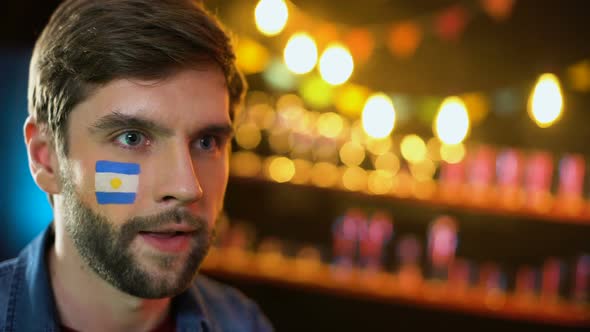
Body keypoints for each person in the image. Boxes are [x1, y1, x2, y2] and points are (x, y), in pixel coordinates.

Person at [0, 0, 274, 331]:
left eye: (207, 142)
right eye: (132, 138)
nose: (187, 187)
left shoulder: (244, 323)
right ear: (45, 158)